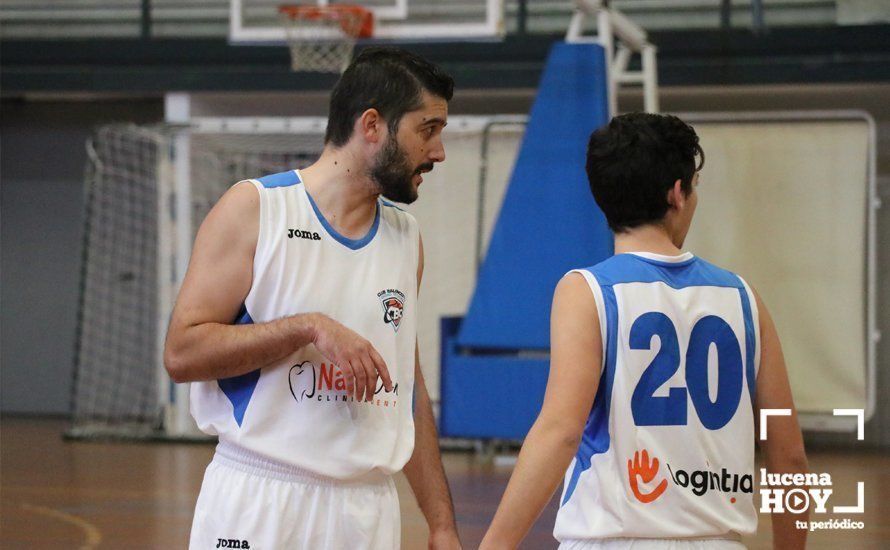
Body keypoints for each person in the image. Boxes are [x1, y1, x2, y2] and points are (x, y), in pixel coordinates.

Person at [164, 47, 461, 549]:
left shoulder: (406, 239)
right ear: (373, 125)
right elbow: (182, 353)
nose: (438, 152)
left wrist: (441, 523)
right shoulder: (256, 209)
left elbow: (406, 388)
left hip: (366, 513)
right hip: (260, 500)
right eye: (427, 130)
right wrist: (308, 327)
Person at [480, 113, 809, 549]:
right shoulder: (744, 298)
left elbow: (561, 430)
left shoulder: (587, 291)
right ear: (677, 193)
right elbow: (789, 457)